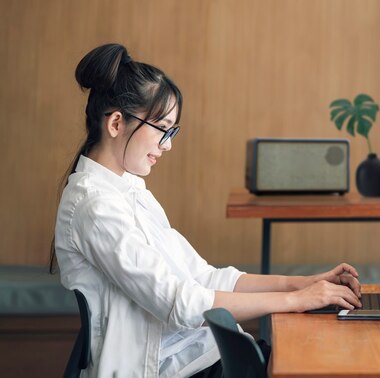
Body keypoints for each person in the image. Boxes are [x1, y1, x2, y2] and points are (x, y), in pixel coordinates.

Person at [51, 43, 362, 378]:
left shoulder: (128, 192)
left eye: (172, 131)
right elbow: (180, 304)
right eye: (162, 129)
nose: (167, 144)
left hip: (196, 355)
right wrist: (297, 301)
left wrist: (300, 284)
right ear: (116, 123)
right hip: (168, 369)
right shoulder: (95, 206)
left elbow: (205, 278)